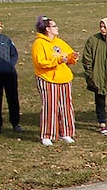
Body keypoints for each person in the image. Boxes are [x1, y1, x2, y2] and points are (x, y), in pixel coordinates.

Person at [31, 16, 77, 146]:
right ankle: (47, 134)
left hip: (64, 78)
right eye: (54, 26)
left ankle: (66, 133)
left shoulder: (59, 42)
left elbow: (68, 54)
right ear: (47, 29)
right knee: (50, 107)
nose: (57, 28)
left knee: (66, 106)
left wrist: (72, 58)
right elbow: (40, 62)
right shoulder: (39, 43)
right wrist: (58, 60)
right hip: (48, 79)